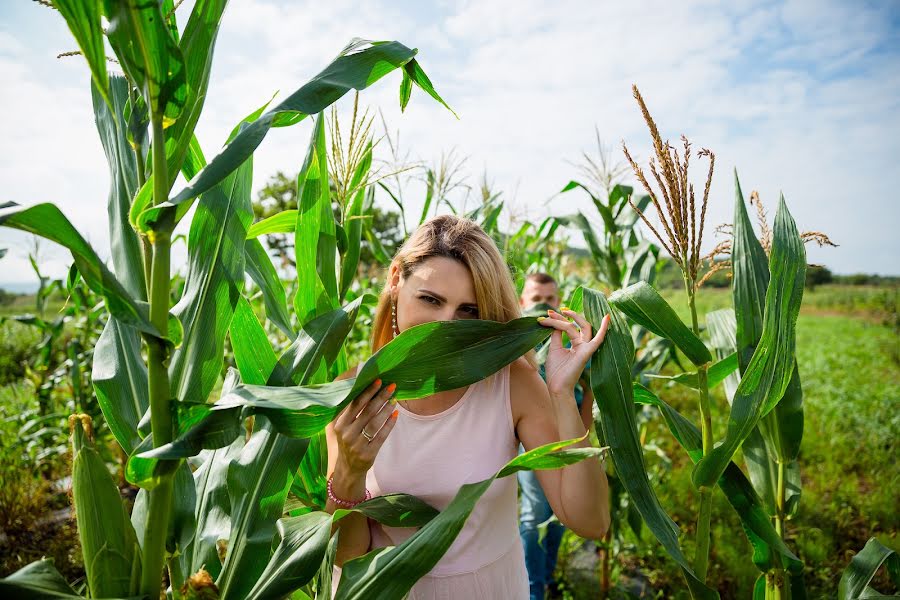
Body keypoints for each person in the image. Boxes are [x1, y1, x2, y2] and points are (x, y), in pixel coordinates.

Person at [325, 215, 610, 599]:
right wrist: (349, 472)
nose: (447, 325)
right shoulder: (352, 393)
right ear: (396, 280)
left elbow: (590, 521)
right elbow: (347, 555)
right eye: (430, 300)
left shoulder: (511, 386)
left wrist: (561, 393)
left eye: (468, 311)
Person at [518, 273, 595, 600]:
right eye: (536, 297)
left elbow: (588, 391)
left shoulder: (570, 339)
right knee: (536, 514)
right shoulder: (518, 345)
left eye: (550, 299)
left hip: (571, 439)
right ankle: (533, 590)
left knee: (561, 516)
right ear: (522, 303)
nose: (543, 304)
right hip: (537, 444)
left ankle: (546, 576)